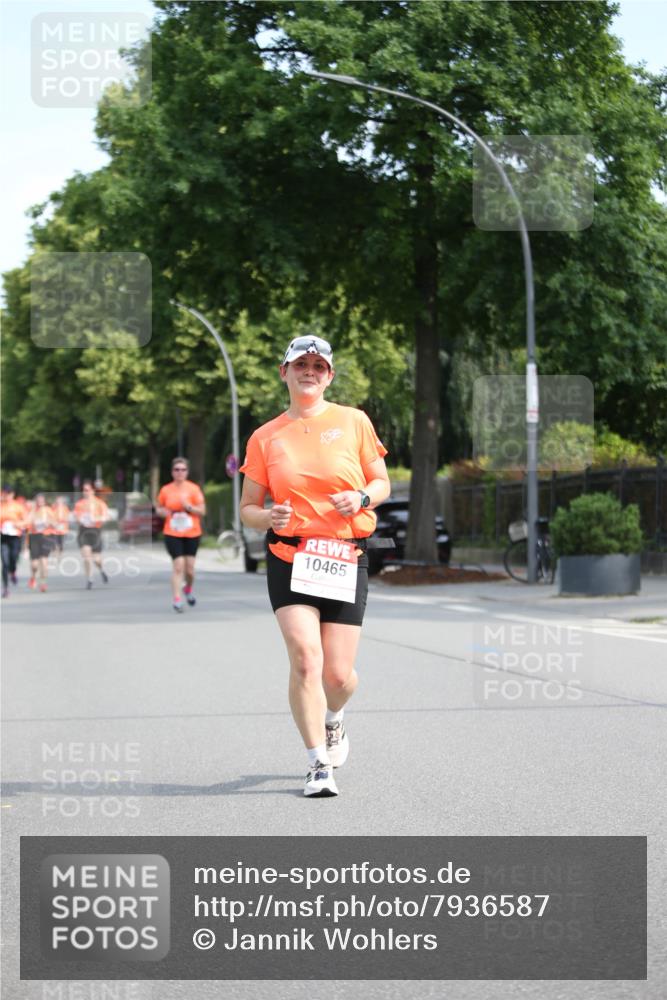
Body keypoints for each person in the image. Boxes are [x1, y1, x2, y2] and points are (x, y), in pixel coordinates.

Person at [240, 335, 390, 798]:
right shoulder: (265, 437)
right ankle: (316, 764)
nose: (310, 371)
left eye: (318, 366)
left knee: (338, 677)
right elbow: (248, 507)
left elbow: (381, 482)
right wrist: (268, 517)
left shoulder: (353, 421)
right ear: (283, 372)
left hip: (345, 556)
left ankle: (334, 720)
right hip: (290, 556)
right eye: (300, 364)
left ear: (330, 376)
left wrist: (361, 497)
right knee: (306, 659)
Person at [155, 458, 206, 613]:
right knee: (178, 566)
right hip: (172, 531)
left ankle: (188, 589)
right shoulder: (166, 490)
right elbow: (159, 509)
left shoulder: (193, 489)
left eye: (183, 469)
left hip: (192, 532)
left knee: (189, 569)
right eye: (177, 469)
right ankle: (177, 600)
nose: (180, 472)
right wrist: (162, 512)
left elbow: (203, 511)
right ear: (172, 472)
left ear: (187, 472)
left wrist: (189, 507)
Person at [74, 481, 110, 589]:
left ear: (93, 491)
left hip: (95, 531)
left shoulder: (100, 503)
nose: (85, 492)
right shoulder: (79, 504)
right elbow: (76, 517)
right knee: (86, 557)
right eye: (84, 490)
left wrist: (96, 519)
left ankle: (101, 570)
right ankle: (89, 578)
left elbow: (106, 517)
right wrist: (81, 520)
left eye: (87, 490)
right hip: (84, 531)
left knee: (96, 559)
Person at [25, 493, 55, 592]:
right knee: (34, 564)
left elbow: (55, 523)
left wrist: (49, 523)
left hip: (46, 536)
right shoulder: (32, 511)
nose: (40, 502)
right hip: (34, 536)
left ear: (44, 501)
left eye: (41, 500)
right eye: (38, 500)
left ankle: (43, 583)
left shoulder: (48, 510)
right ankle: (33, 577)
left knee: (44, 561)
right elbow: (27, 521)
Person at [1, 485, 25, 597]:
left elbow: (26, 521)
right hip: (3, 537)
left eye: (8, 493)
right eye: (4, 493)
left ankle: (13, 571)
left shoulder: (18, 507)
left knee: (13, 558)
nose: (6, 496)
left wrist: (17, 524)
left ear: (12, 494)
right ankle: (6, 588)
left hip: (15, 536)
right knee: (5, 562)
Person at [51, 495, 71, 560]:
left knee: (61, 543)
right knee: (55, 542)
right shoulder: (53, 507)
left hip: (63, 528)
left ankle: (60, 554)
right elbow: (51, 516)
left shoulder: (65, 508)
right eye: (57, 501)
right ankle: (56, 554)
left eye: (60, 501)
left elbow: (67, 517)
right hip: (55, 528)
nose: (59, 502)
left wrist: (63, 521)